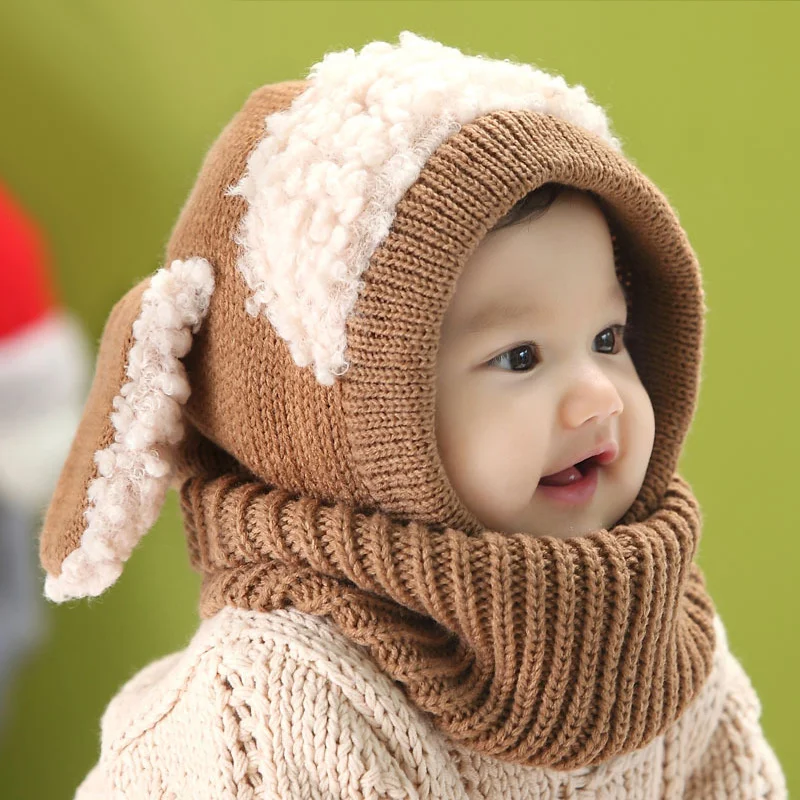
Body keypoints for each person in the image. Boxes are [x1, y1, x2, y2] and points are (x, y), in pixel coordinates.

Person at [38, 32, 786, 798]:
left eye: (608, 339)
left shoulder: (660, 640)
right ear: (350, 427)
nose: (600, 395)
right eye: (520, 357)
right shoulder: (286, 695)